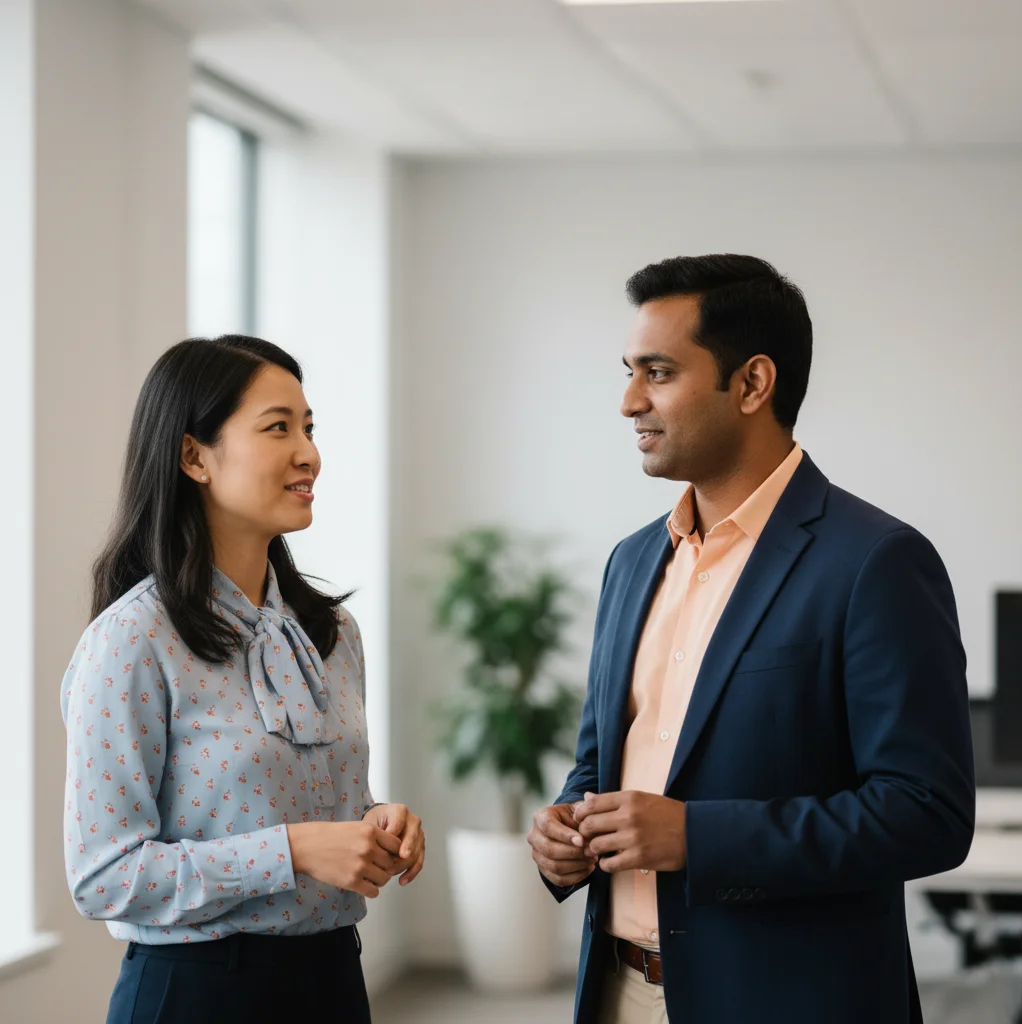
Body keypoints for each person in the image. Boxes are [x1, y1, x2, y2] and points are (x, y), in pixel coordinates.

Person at [527, 255, 975, 1024]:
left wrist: (695, 836)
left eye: (658, 372)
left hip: (787, 998)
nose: (630, 400)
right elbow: (601, 763)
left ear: (753, 384)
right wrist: (568, 828)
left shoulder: (876, 562)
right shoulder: (631, 562)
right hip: (616, 988)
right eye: (630, 371)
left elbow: (925, 813)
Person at [61, 336, 424, 1024]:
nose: (308, 452)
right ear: (194, 456)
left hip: (333, 981)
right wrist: (293, 850)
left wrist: (376, 822)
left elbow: (326, 805)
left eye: (309, 427)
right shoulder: (132, 640)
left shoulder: (333, 634)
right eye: (277, 428)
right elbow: (103, 876)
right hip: (197, 994)